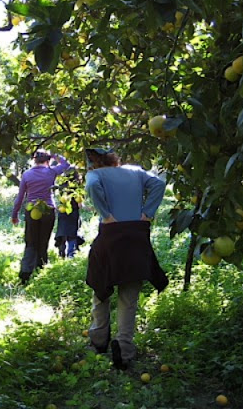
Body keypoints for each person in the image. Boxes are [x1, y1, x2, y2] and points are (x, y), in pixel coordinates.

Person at [84, 147, 168, 370]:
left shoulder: (95, 175)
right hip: (136, 235)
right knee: (128, 299)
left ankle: (99, 341)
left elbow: (92, 187)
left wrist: (106, 215)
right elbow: (159, 184)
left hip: (111, 236)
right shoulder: (136, 171)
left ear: (93, 163)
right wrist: (147, 213)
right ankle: (124, 350)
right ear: (114, 160)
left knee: (101, 289)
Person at [12, 149, 70, 284]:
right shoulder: (51, 171)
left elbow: (20, 197)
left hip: (32, 210)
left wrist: (15, 214)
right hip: (48, 210)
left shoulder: (27, 175)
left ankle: (25, 274)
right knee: (43, 242)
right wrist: (55, 154)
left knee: (31, 242)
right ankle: (41, 270)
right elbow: (66, 164)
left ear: (34, 160)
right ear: (48, 160)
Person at [54, 169, 83, 258]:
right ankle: (71, 254)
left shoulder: (62, 185)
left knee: (62, 232)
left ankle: (61, 252)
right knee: (72, 233)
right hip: (73, 211)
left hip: (63, 210)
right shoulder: (78, 187)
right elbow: (80, 204)